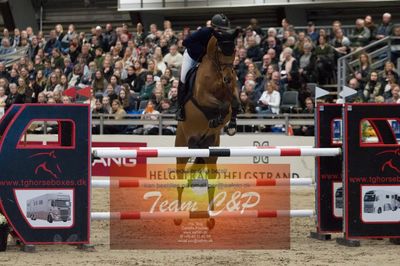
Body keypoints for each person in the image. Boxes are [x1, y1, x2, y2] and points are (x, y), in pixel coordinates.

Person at [175, 13, 231, 121]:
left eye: (224, 29)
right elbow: (185, 42)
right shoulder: (204, 32)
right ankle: (180, 108)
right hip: (192, 57)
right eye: (220, 29)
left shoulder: (222, 37)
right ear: (214, 27)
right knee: (183, 79)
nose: (223, 32)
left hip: (209, 62)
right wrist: (203, 51)